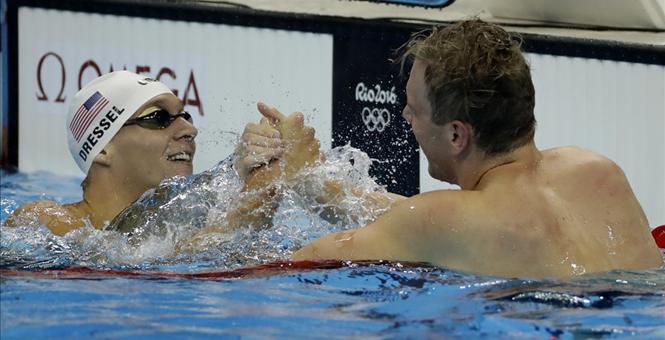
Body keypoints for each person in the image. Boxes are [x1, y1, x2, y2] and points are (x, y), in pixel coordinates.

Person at [282, 19, 662, 277]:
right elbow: (453, 221)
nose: (405, 117)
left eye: (414, 110)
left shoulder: (440, 220)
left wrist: (256, 194)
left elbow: (273, 270)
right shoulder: (596, 170)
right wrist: (311, 181)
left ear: (456, 136)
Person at [3, 71, 303, 235]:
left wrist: (262, 169)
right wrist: (247, 207)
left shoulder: (187, 221)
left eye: (186, 116)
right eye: (158, 118)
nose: (189, 130)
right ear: (103, 148)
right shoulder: (45, 220)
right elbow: (116, 261)